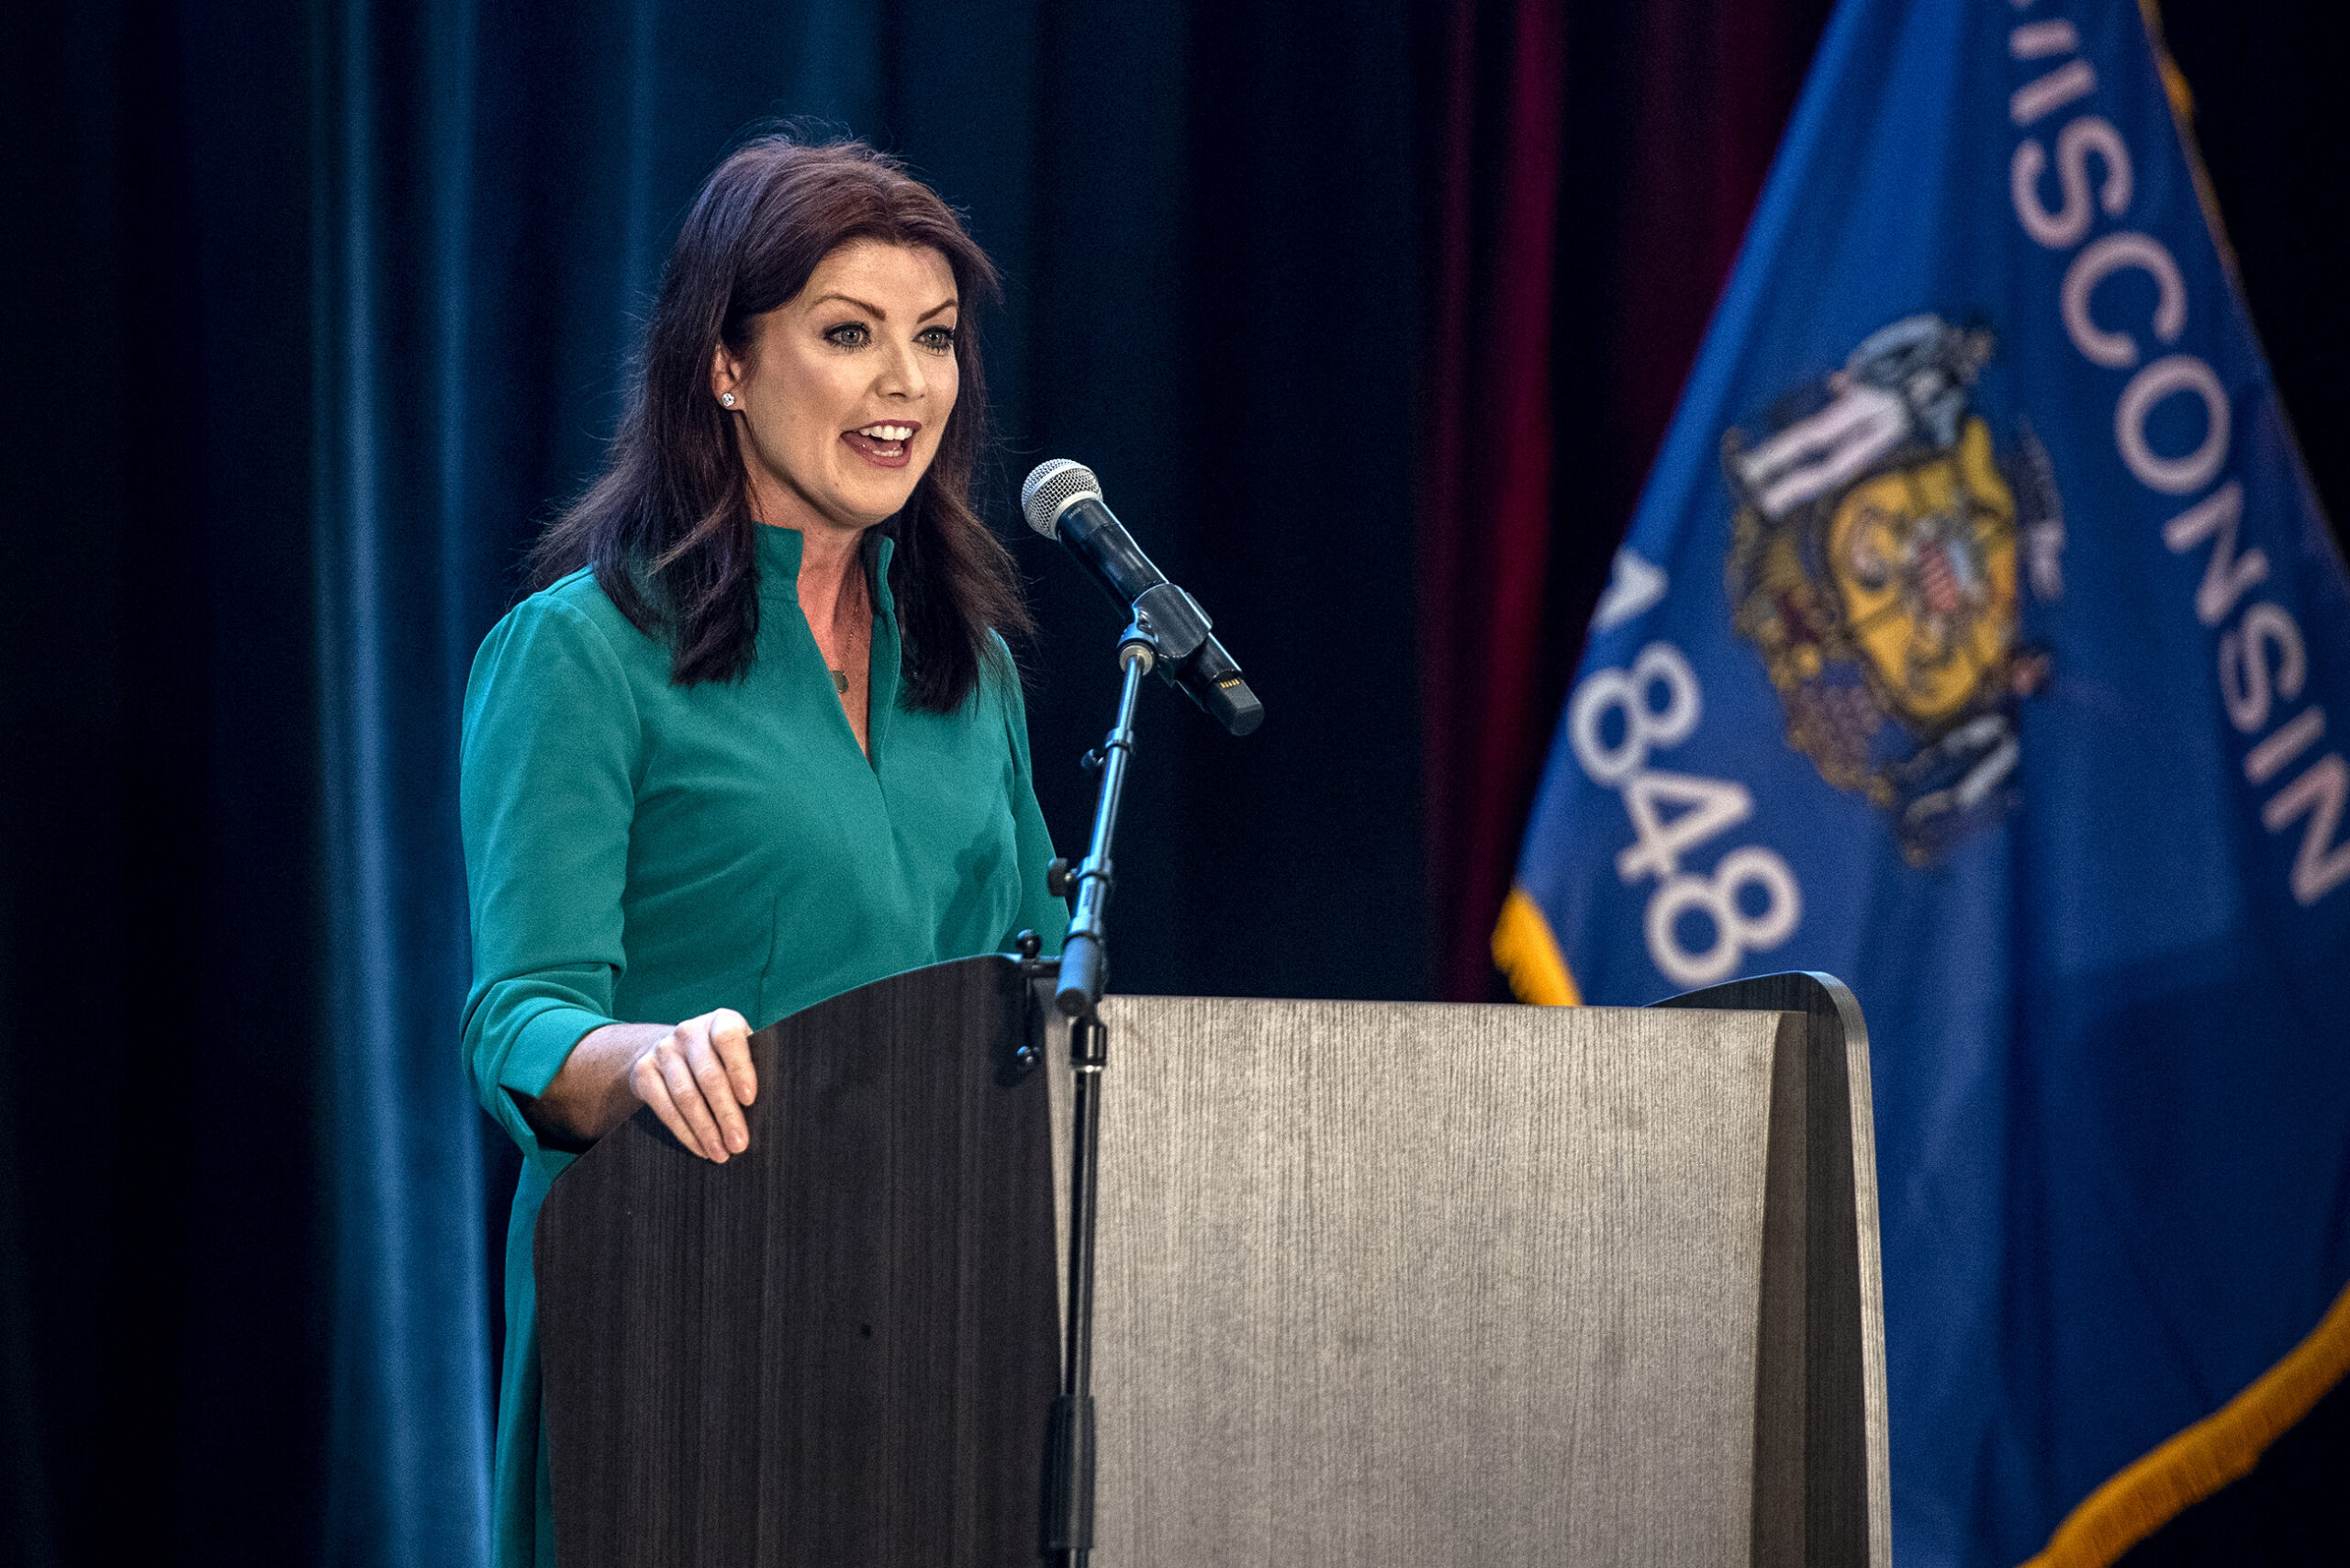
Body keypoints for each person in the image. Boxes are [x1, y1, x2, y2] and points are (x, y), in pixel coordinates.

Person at [458, 136, 1069, 1568]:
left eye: (933, 341)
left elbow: (1037, 991)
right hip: (678, 1303)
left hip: (937, 1319)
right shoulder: (581, 654)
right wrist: (645, 1056)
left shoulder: (967, 672)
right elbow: (519, 1015)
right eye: (848, 336)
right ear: (723, 367)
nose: (905, 386)